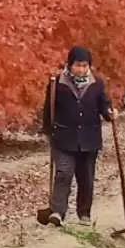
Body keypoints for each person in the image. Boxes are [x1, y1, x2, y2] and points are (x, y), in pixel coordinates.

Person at [41, 46, 114, 227]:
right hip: (64, 137)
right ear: (69, 64)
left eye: (84, 66)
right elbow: (48, 110)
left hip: (89, 139)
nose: (81, 69)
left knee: (86, 177)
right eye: (77, 65)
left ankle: (84, 213)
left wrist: (109, 113)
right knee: (63, 173)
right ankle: (58, 211)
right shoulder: (57, 83)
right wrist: (48, 131)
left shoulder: (97, 83)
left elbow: (104, 106)